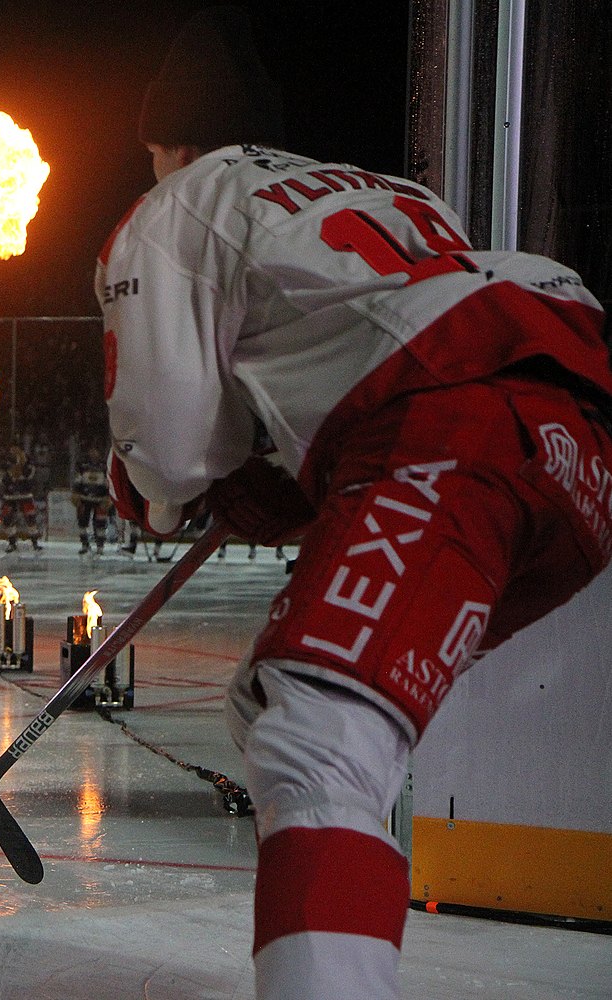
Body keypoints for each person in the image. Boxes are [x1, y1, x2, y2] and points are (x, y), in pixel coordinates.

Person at [96, 8, 612, 998]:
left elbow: (166, 453)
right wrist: (287, 481)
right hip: (572, 458)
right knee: (274, 695)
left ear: (167, 142)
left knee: (318, 737)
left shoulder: (176, 206)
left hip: (463, 433)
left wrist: (168, 499)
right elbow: (380, 348)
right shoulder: (391, 190)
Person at [0, 445, 40, 552]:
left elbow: (29, 475)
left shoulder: (28, 461)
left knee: (30, 518)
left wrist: (22, 466)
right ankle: (12, 543)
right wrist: (10, 478)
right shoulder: (5, 462)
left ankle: (35, 543)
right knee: (7, 519)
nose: (14, 450)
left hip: (25, 495)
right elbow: (1, 479)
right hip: (9, 496)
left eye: (16, 448)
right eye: (12, 448)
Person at [70, 449, 112, 555]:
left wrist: (109, 496)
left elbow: (109, 482)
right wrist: (75, 493)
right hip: (84, 499)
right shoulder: (82, 465)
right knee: (82, 523)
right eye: (92, 450)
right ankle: (84, 544)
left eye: (96, 450)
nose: (93, 453)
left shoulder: (105, 466)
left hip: (100, 500)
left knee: (100, 524)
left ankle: (100, 547)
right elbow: (77, 481)